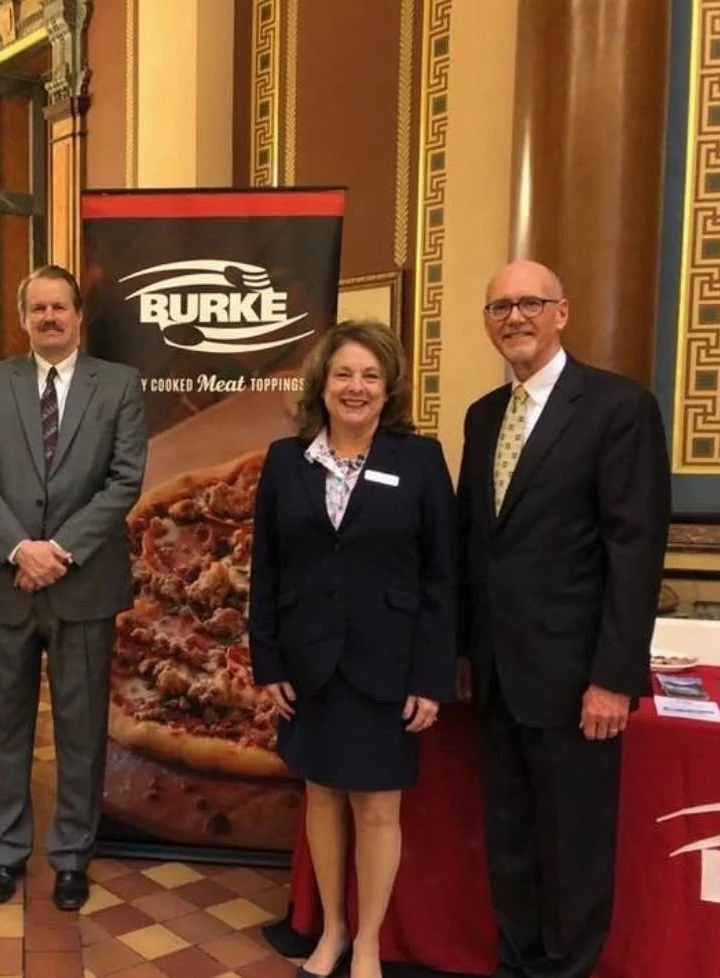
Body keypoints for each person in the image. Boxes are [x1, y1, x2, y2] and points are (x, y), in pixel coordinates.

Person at [457, 260, 671, 978]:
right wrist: (461, 653)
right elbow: (474, 544)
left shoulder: (618, 408)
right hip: (495, 675)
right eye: (499, 307)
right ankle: (518, 964)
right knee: (510, 838)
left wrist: (613, 678)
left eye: (529, 304)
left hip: (578, 683)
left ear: (562, 313)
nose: (514, 317)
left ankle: (567, 970)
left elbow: (634, 555)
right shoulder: (483, 417)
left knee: (574, 847)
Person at [248, 320, 457, 978]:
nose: (356, 387)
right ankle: (332, 930)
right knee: (323, 796)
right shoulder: (287, 461)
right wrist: (269, 661)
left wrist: (432, 676)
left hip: (387, 664)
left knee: (377, 805)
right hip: (308, 662)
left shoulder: (418, 460)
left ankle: (369, 940)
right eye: (344, 374)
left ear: (388, 386)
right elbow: (267, 569)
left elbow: (441, 576)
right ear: (323, 384)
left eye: (369, 375)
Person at [0, 264, 147, 911]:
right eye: (38, 309)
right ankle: (4, 854)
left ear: (78, 314)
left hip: (83, 585)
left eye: (60, 307)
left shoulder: (118, 385)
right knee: (3, 729)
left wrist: (57, 552)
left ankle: (71, 856)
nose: (49, 318)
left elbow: (124, 480)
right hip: (7, 585)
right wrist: (19, 548)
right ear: (23, 317)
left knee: (81, 730)